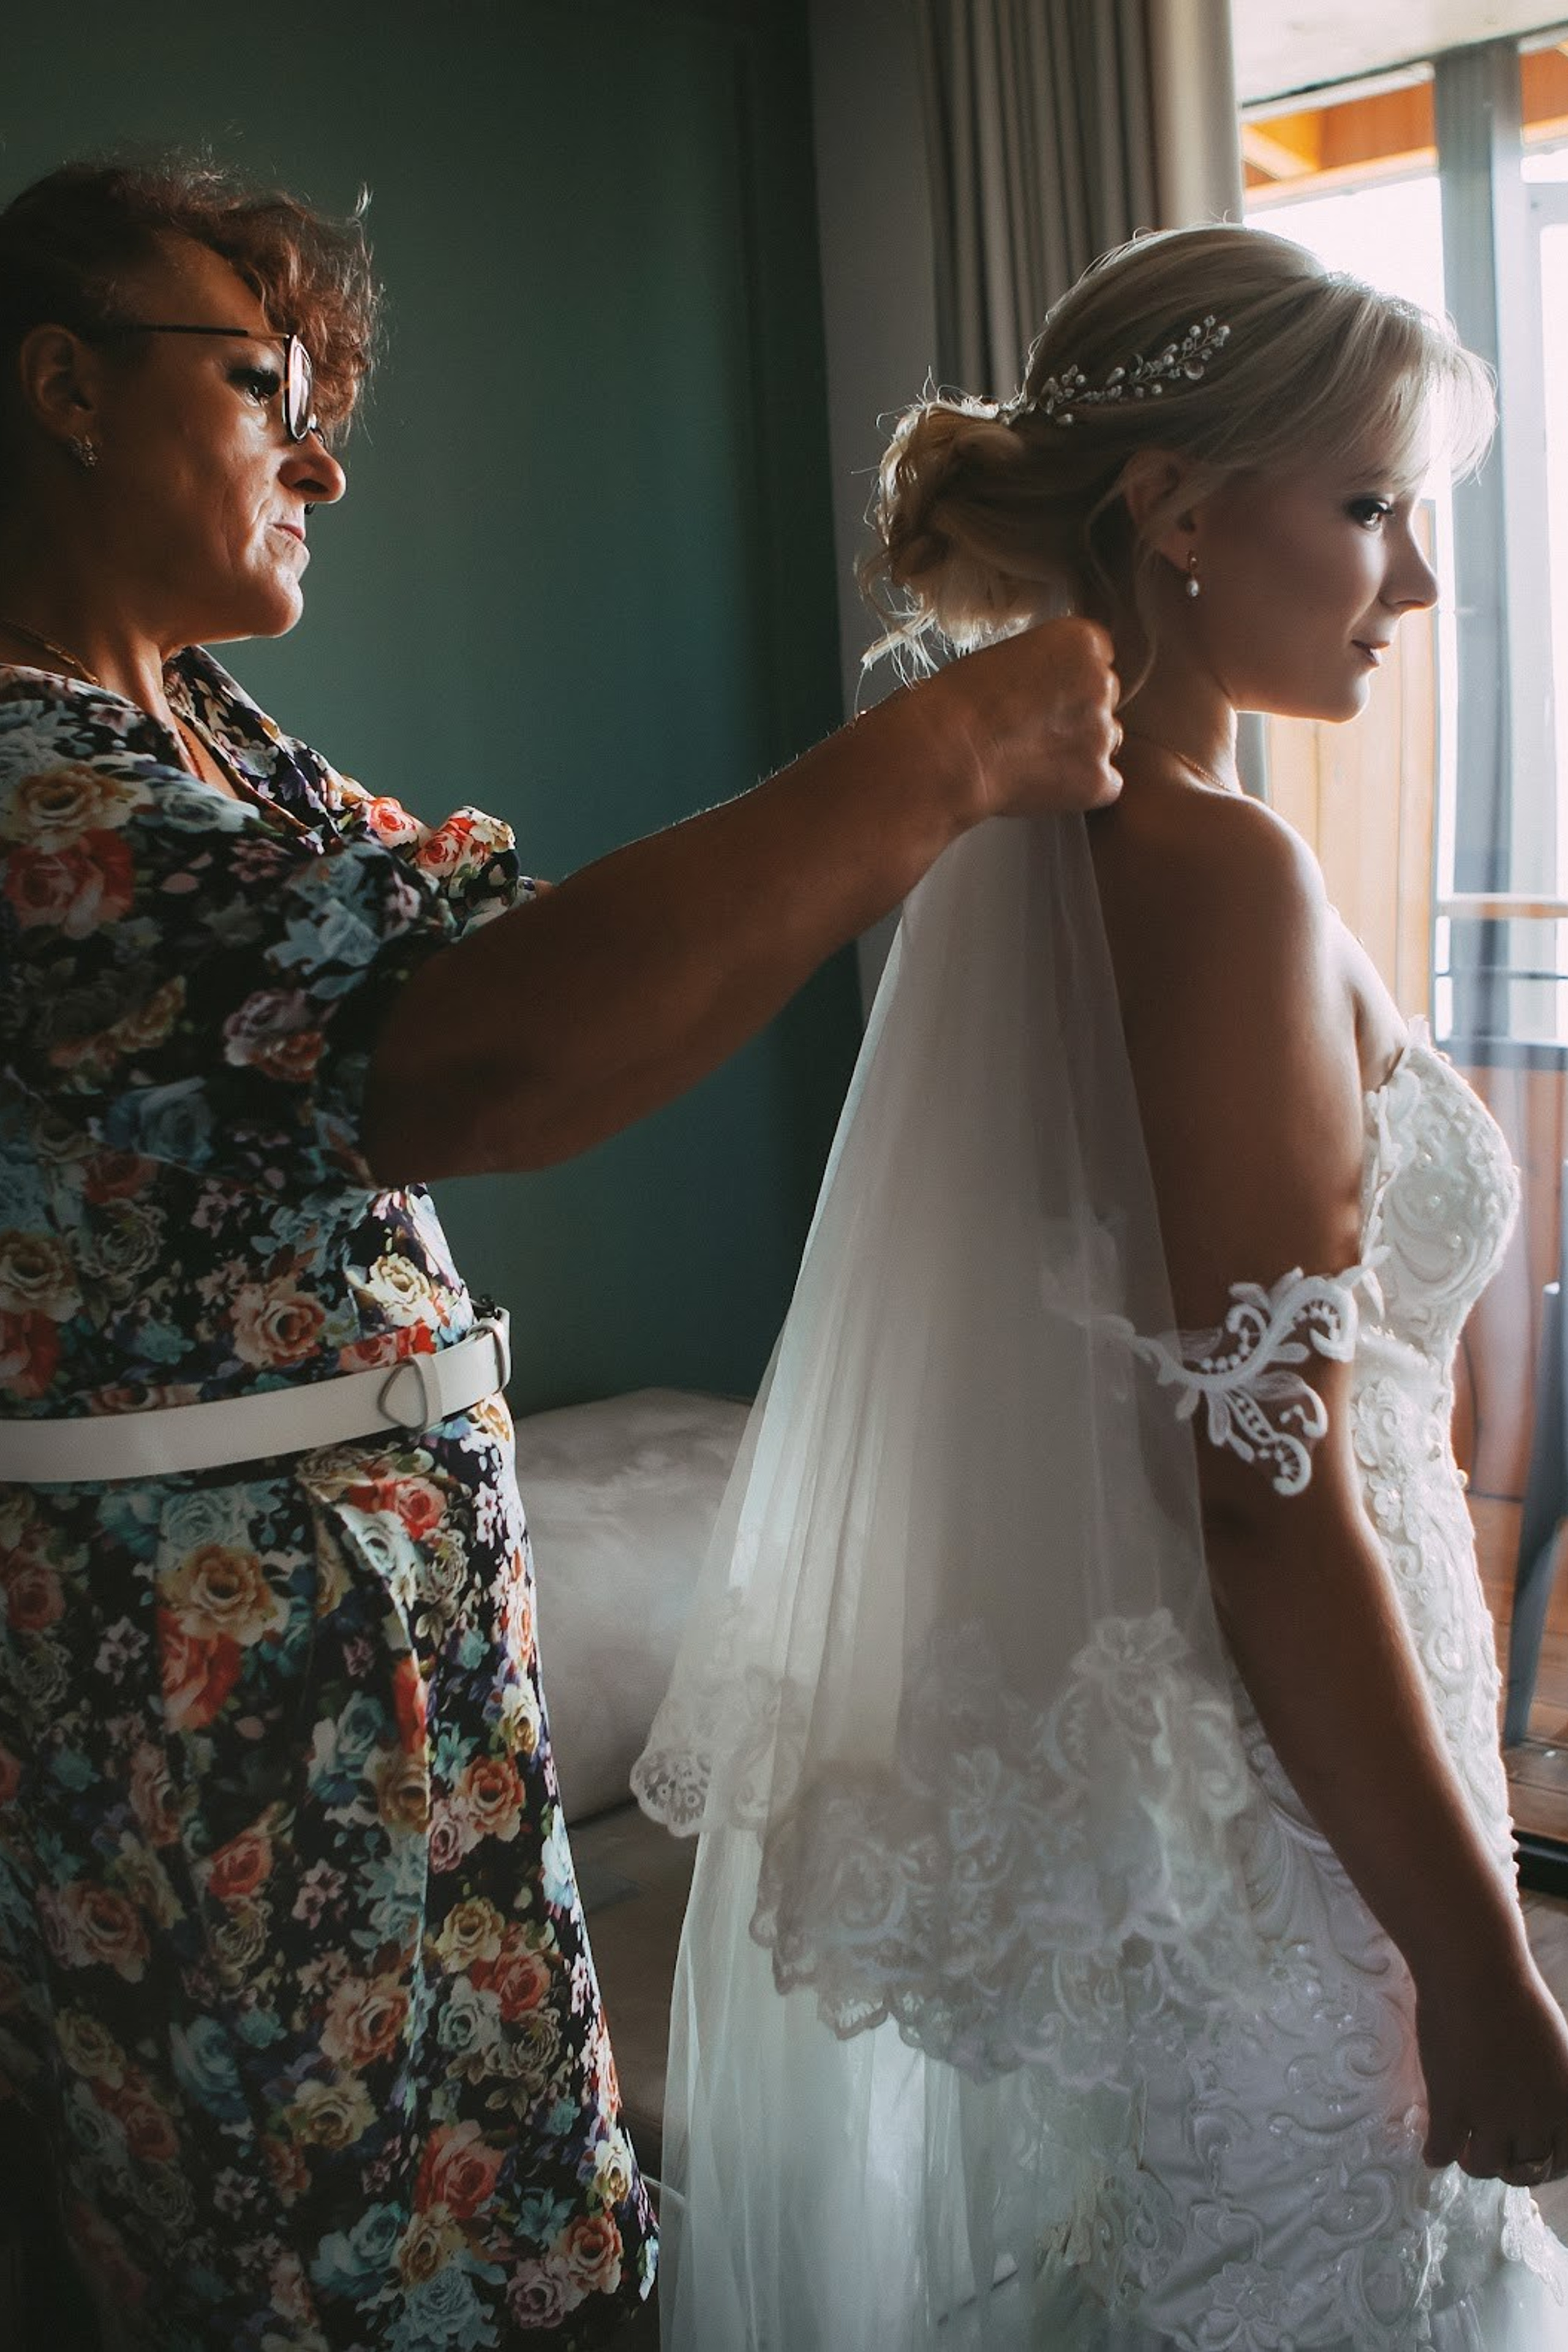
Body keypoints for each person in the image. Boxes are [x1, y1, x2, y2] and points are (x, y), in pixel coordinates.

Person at [0, 155, 1120, 2351]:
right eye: (266, 383)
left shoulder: (197, 732)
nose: (323, 454)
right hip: (205, 1721)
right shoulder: (26, 784)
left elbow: (499, 969)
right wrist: (936, 758)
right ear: (57, 384)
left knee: (525, 2240)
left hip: (397, 1676)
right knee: (323, 2287)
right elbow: (482, 1054)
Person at [633, 224, 1568, 2348]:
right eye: (1367, 508)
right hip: (1293, 1798)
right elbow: (1259, 1492)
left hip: (1269, 1758)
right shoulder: (1212, 875)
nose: (1416, 582)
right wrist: (1477, 1962)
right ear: (1171, 514)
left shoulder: (1072, 842)